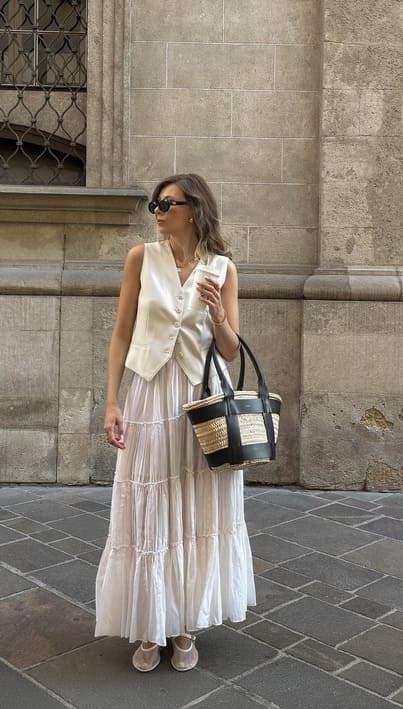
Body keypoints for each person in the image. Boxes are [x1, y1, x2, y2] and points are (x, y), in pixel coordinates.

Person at [95, 173, 256, 672]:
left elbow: (231, 349)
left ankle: (184, 623)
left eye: (167, 204)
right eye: (155, 205)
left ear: (195, 208)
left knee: (195, 509)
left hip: (202, 397)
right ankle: (149, 624)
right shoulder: (141, 258)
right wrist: (111, 402)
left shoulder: (223, 269)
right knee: (151, 504)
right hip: (149, 394)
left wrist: (216, 314)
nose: (158, 212)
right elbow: (121, 333)